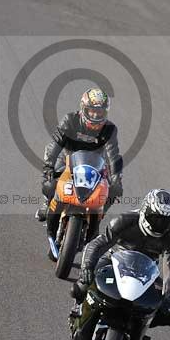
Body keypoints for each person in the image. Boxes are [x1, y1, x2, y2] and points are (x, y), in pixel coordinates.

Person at [77, 188, 170, 325]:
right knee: (81, 286)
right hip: (114, 261)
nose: (159, 224)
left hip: (147, 272)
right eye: (155, 218)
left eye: (165, 220)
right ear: (145, 209)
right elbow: (98, 244)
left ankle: (137, 329)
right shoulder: (125, 220)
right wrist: (87, 267)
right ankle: (79, 311)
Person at [35, 88, 123, 237]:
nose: (95, 115)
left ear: (105, 113)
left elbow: (113, 154)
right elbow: (55, 144)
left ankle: (98, 217)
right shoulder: (70, 119)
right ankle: (48, 203)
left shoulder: (110, 129)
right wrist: (48, 167)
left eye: (100, 112)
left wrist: (116, 179)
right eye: (91, 111)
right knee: (50, 183)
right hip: (67, 161)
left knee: (113, 190)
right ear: (83, 108)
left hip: (95, 166)